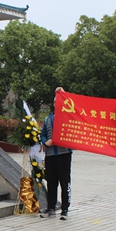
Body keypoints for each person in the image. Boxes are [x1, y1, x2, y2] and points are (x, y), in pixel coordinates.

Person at [40, 88, 72, 220]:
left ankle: (65, 209)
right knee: (51, 183)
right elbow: (42, 134)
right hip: (50, 155)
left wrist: (63, 93)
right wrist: (45, 141)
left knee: (65, 182)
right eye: (55, 102)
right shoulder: (47, 119)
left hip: (64, 154)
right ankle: (51, 208)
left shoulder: (68, 117)